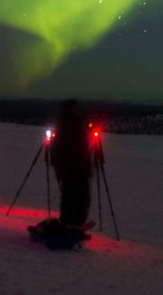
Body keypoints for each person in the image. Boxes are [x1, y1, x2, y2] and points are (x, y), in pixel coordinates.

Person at [47, 99, 102, 231]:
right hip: (74, 169)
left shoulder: (71, 124)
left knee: (75, 196)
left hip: (76, 168)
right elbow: (68, 149)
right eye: (76, 108)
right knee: (76, 197)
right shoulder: (69, 125)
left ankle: (73, 223)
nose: (79, 110)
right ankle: (72, 224)